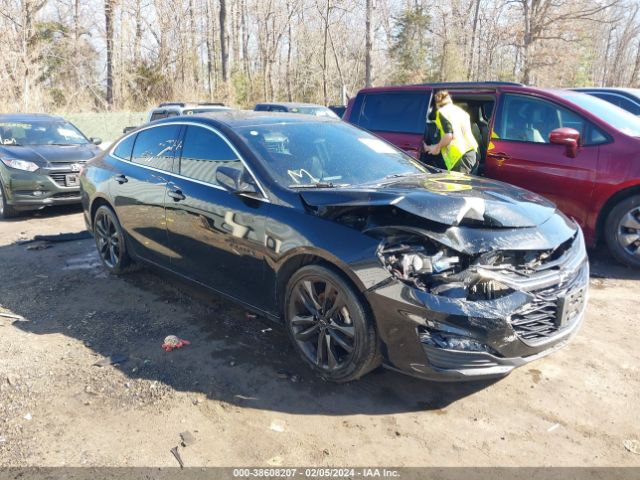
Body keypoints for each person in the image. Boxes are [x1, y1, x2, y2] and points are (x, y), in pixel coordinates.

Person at [423, 90, 479, 174]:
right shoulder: (460, 112)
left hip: (459, 157)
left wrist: (437, 148)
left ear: (437, 103)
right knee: (468, 185)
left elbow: (449, 135)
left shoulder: (443, 112)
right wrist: (434, 147)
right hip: (473, 153)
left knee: (457, 186)